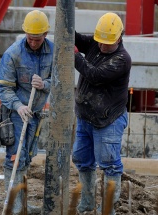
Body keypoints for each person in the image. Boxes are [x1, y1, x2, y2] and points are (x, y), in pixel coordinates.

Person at [72, 12, 131, 215]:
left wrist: (75, 57)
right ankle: (87, 204)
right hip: (85, 117)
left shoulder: (121, 59)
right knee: (82, 160)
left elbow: (95, 76)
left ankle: (107, 210)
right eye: (100, 41)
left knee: (110, 165)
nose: (102, 46)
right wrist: (65, 26)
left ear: (119, 38)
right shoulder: (97, 44)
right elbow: (77, 38)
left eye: (107, 43)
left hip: (108, 121)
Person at [0, 10, 54, 214]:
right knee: (15, 158)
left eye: (37, 39)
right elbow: (3, 87)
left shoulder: (53, 51)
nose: (33, 42)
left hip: (36, 114)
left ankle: (20, 204)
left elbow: (61, 80)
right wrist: (18, 106)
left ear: (45, 34)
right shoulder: (13, 53)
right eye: (30, 38)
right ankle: (14, 207)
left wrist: (45, 84)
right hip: (16, 112)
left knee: (28, 157)